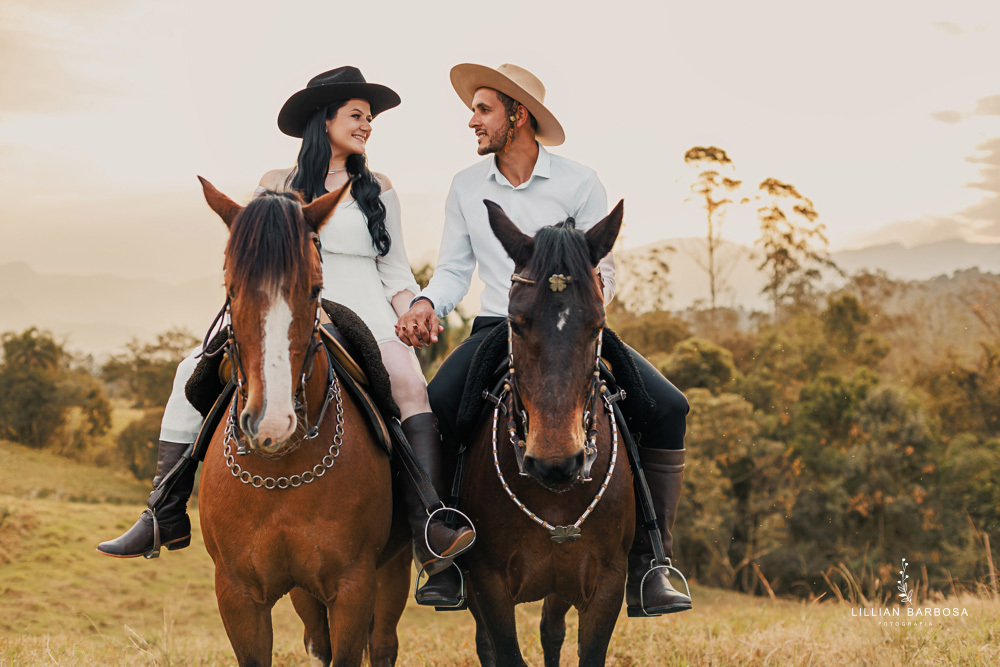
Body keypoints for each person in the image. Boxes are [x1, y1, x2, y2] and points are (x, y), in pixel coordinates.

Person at [98, 67, 475, 589]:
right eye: (357, 116)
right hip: (286, 308)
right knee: (192, 366)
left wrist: (414, 308)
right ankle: (163, 509)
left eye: (369, 119)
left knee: (411, 385)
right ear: (324, 120)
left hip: (364, 307)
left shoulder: (377, 188)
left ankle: (430, 533)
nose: (367, 126)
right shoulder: (274, 184)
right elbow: (250, 257)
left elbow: (395, 270)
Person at [395, 63, 692, 616]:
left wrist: (582, 309)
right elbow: (455, 270)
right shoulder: (466, 186)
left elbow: (606, 266)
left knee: (669, 408)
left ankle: (654, 560)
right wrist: (425, 303)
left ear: (518, 115)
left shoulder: (579, 182)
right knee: (437, 407)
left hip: (579, 332)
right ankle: (447, 558)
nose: (472, 121)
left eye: (483, 109)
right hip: (501, 328)